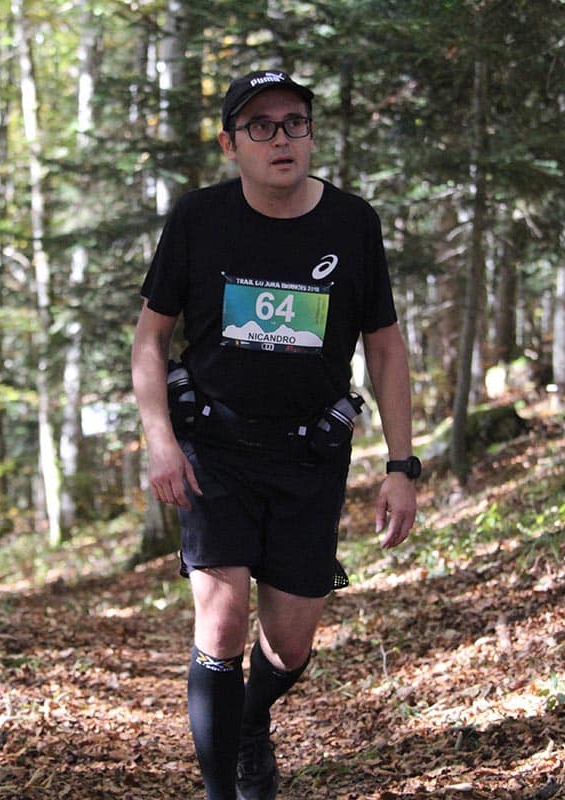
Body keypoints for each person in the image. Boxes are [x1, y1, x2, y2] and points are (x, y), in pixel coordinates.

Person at [131, 69, 419, 800]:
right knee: (222, 621)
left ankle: (250, 721)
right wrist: (160, 439)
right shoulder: (198, 219)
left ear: (311, 134)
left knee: (289, 645)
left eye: (295, 122)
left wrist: (401, 465)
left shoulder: (352, 223)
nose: (281, 138)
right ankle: (221, 789)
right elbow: (150, 339)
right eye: (260, 126)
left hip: (308, 456)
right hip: (214, 449)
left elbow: (385, 347)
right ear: (231, 144)